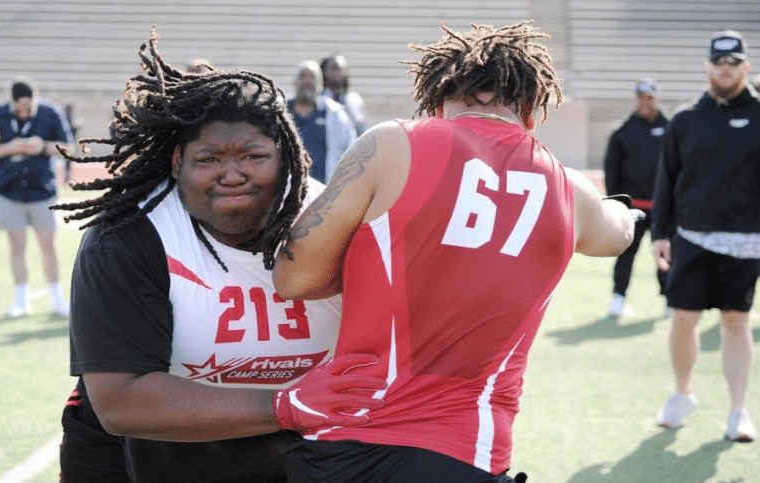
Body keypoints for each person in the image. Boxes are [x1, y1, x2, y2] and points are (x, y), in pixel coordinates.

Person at [271, 21, 637, 483]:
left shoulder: (391, 143)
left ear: (438, 98)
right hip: (469, 452)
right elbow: (618, 234)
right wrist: (625, 211)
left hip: (347, 445)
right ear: (528, 107)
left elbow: (292, 278)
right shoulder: (569, 190)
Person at [54, 28, 385, 483]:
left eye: (253, 155)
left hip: (289, 451)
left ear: (286, 157)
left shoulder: (334, 221)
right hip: (140, 451)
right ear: (177, 163)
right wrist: (287, 404)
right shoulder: (130, 235)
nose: (232, 174)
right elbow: (120, 400)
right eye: (208, 159)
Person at [651, 29, 759, 443]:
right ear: (707, 66)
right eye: (719, 63)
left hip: (746, 239)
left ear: (745, 67)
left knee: (735, 322)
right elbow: (668, 182)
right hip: (690, 236)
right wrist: (660, 233)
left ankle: (737, 412)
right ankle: (682, 394)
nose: (726, 70)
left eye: (734, 64)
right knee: (683, 320)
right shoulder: (684, 119)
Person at [0, 76, 74, 318]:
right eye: (20, 107)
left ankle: (57, 297)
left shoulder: (50, 112)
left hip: (42, 190)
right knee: (17, 246)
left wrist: (42, 147)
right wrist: (14, 147)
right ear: (11, 101)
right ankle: (21, 299)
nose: (24, 111)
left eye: (28, 106)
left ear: (36, 97)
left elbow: (69, 149)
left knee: (48, 245)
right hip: (9, 191)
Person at [603, 78, 669, 317]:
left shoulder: (671, 128)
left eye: (649, 98)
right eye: (641, 99)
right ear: (636, 100)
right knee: (625, 253)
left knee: (666, 254)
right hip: (634, 208)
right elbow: (612, 171)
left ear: (656, 99)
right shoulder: (622, 131)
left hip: (663, 208)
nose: (645, 103)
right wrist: (616, 205)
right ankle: (618, 299)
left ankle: (668, 301)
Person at [286, 60, 356, 183]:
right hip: (286, 191)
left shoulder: (336, 114)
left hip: (323, 191)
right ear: (294, 81)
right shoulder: (280, 111)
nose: (307, 80)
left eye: (312, 77)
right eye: (303, 76)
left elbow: (351, 151)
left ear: (320, 83)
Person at [320, 54, 368, 135]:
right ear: (324, 72)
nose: (337, 72)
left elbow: (362, 129)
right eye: (333, 68)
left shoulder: (355, 99)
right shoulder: (318, 99)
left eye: (341, 69)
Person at [62, 102, 83, 184]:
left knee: (69, 160)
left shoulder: (69, 118)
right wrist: (75, 127)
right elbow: (69, 130)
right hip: (67, 143)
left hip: (71, 142)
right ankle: (66, 177)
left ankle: (67, 176)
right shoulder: (65, 118)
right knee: (67, 160)